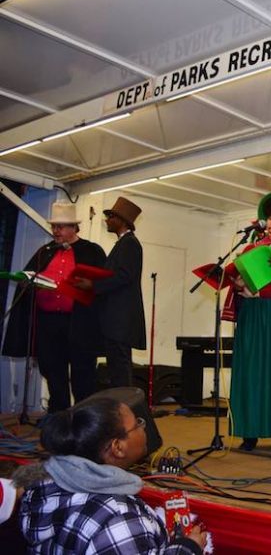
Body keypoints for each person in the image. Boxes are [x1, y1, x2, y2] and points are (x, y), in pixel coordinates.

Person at [13, 397, 207, 553]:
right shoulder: (120, 519)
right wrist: (187, 548)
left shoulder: (41, 485)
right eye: (137, 424)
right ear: (118, 447)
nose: (143, 427)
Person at [2, 202, 106, 413]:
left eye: (61, 227)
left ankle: (83, 417)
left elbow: (104, 286)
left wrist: (90, 286)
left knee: (82, 372)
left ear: (74, 228)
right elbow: (29, 275)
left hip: (79, 323)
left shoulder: (92, 251)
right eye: (54, 227)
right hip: (48, 322)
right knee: (53, 370)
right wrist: (28, 282)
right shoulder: (45, 251)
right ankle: (58, 416)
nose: (56, 231)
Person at [222, 192, 271, 451]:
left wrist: (261, 292)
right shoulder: (250, 248)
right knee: (250, 371)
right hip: (253, 315)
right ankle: (249, 433)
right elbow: (236, 279)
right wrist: (239, 284)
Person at [75, 197, 146, 388]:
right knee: (116, 367)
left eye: (110, 216)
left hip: (120, 319)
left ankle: (123, 409)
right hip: (115, 319)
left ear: (122, 221)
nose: (107, 220)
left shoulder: (130, 244)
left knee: (120, 368)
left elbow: (124, 276)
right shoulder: (123, 244)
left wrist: (93, 285)